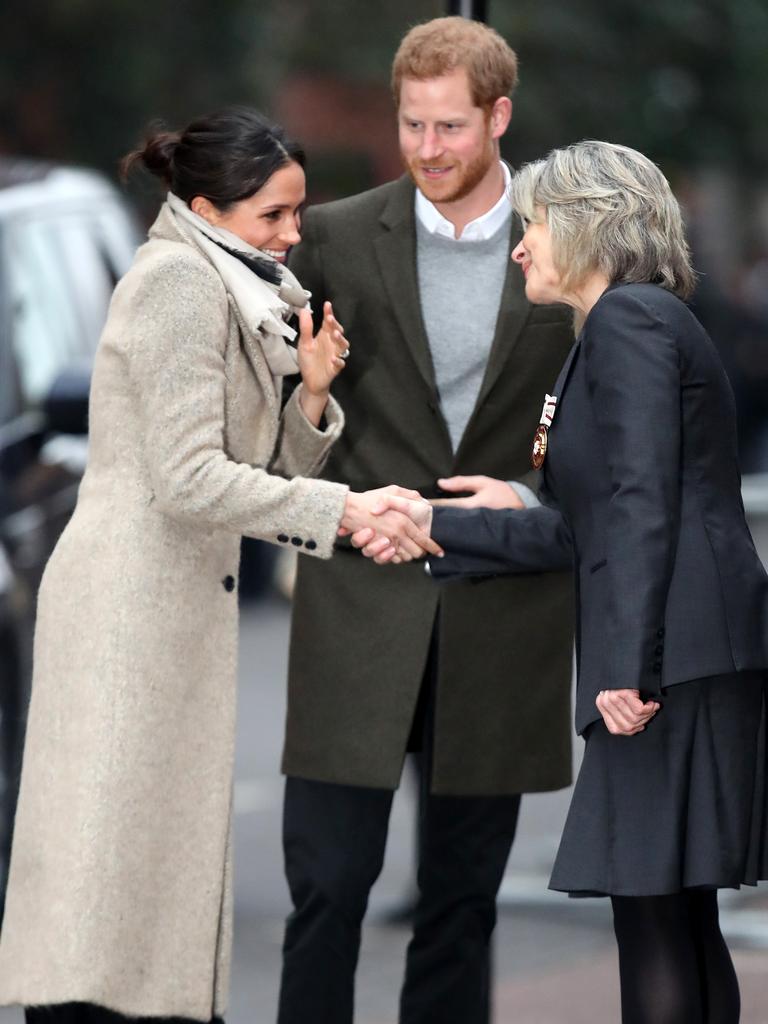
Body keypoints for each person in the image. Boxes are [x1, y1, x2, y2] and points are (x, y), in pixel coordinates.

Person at [0, 106, 438, 1024]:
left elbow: (262, 467)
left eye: (297, 215)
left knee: (145, 869)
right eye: (273, 216)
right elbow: (192, 478)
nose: (291, 235)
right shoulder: (179, 288)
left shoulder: (237, 287)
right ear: (205, 205)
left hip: (173, 602)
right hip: (129, 607)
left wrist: (312, 394)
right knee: (104, 875)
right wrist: (350, 509)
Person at [363, 140, 768, 1024]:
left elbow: (640, 505)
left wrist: (627, 666)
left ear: (588, 226)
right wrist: (437, 526)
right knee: (677, 914)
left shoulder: (628, 321)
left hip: (671, 661)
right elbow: (583, 526)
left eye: (534, 226)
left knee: (656, 918)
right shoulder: (631, 325)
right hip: (689, 651)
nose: (521, 246)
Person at [278, 18, 575, 1024]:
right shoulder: (333, 234)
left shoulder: (567, 245)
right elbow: (290, 428)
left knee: (462, 903)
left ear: (499, 116)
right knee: (325, 891)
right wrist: (317, 421)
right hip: (357, 599)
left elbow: (604, 421)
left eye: (450, 125)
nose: (428, 147)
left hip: (496, 609)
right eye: (412, 123)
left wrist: (532, 503)